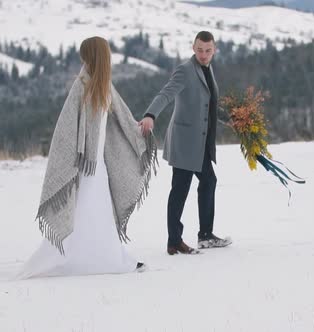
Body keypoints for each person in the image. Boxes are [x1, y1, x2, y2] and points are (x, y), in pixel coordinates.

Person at [17, 36, 157, 278]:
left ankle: (107, 258)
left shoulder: (104, 85)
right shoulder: (81, 85)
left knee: (100, 214)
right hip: (83, 166)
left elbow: (122, 118)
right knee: (82, 212)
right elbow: (66, 128)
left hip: (98, 166)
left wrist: (140, 130)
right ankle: (73, 259)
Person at [139, 31, 231, 255]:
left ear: (214, 50)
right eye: (199, 50)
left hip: (201, 144)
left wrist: (233, 119)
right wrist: (151, 114)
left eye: (208, 50)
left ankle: (205, 235)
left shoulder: (208, 70)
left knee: (208, 181)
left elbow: (209, 106)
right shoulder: (185, 70)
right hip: (185, 141)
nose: (203, 54)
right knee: (180, 189)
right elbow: (166, 94)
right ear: (193, 47)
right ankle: (174, 241)